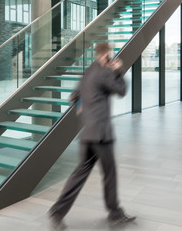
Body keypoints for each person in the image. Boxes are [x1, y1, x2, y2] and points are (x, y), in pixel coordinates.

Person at [48, 42, 136, 230]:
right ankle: (115, 214)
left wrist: (88, 114)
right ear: (106, 56)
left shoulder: (87, 73)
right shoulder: (104, 73)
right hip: (101, 134)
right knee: (110, 173)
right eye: (110, 56)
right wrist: (118, 71)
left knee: (79, 174)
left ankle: (57, 212)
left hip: (88, 132)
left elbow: (74, 97)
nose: (112, 59)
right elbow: (121, 91)